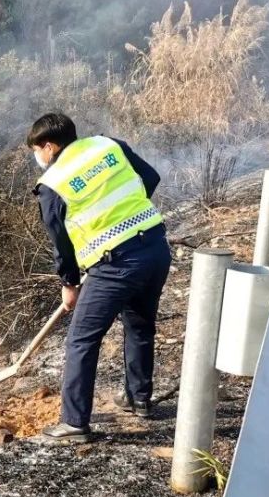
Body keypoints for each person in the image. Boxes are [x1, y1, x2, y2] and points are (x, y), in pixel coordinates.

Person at [28, 113, 171, 443]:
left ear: (49, 146)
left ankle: (75, 423)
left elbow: (61, 243)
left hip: (115, 265)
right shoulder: (108, 145)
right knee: (139, 323)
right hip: (154, 248)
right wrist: (130, 210)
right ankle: (139, 399)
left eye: (37, 150)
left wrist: (69, 284)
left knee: (81, 339)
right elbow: (150, 176)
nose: (38, 157)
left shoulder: (53, 184)